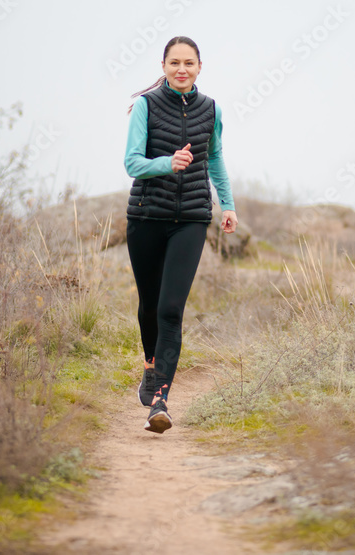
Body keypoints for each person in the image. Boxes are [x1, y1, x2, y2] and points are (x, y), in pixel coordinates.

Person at [123, 36, 238, 434]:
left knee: (171, 309)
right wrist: (166, 163)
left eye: (189, 62)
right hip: (146, 216)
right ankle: (150, 364)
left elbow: (215, 158)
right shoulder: (146, 105)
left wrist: (227, 204)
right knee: (149, 305)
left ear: (200, 67)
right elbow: (132, 163)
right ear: (164, 66)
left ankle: (160, 401)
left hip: (191, 218)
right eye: (175, 62)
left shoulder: (211, 109)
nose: (182, 69)